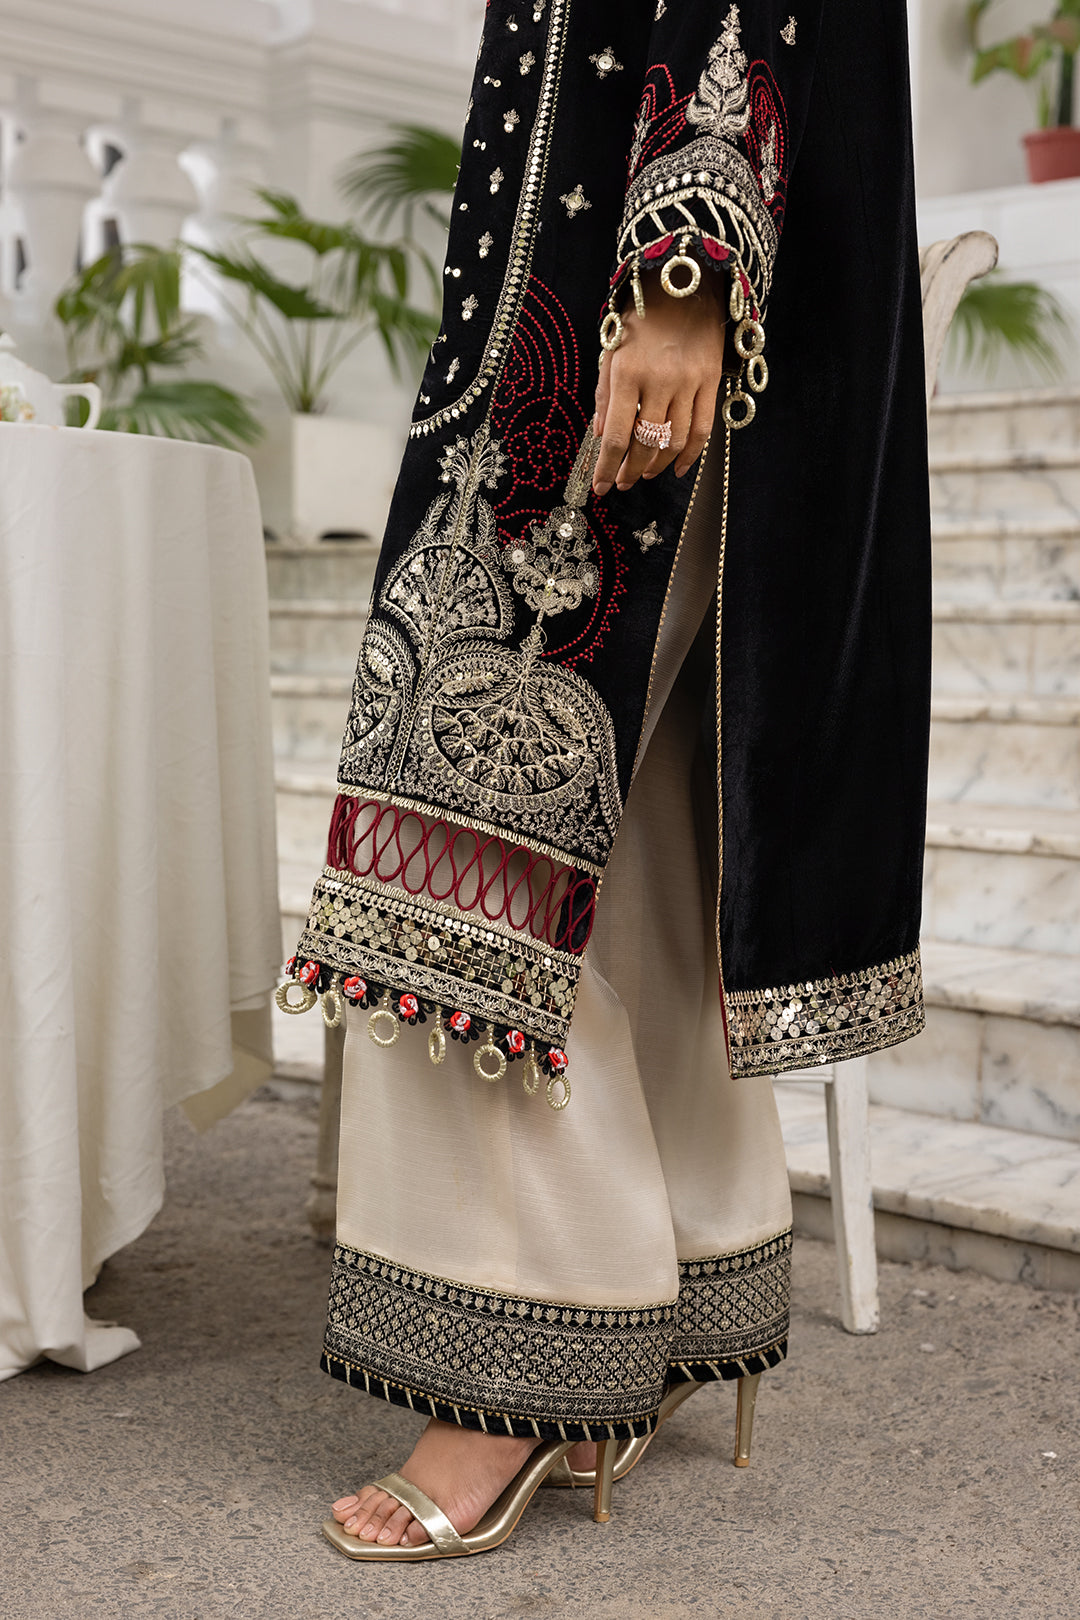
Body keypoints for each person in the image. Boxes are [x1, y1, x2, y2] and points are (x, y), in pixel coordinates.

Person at [277, 0, 932, 1562]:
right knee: (636, 822)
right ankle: (671, 1285)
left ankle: (513, 1355)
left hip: (632, 271)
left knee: (474, 804)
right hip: (610, 241)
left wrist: (686, 271)